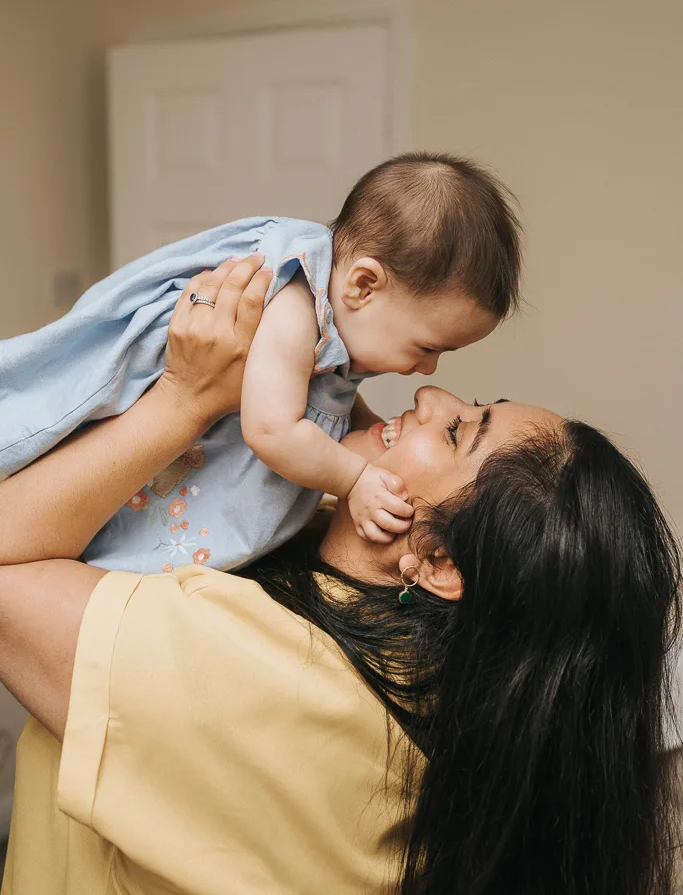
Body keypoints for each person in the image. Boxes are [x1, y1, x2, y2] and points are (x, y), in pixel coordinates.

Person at [0, 255, 679, 895]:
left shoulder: (272, 675)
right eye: (468, 402)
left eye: (455, 432)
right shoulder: (449, 672)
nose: (431, 392)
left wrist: (184, 399)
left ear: (439, 563)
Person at [0, 153, 521, 572]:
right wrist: (353, 478)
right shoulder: (294, 307)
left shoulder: (339, 322)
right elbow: (272, 428)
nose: (429, 372)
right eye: (428, 347)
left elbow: (329, 392)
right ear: (363, 285)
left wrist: (368, 427)